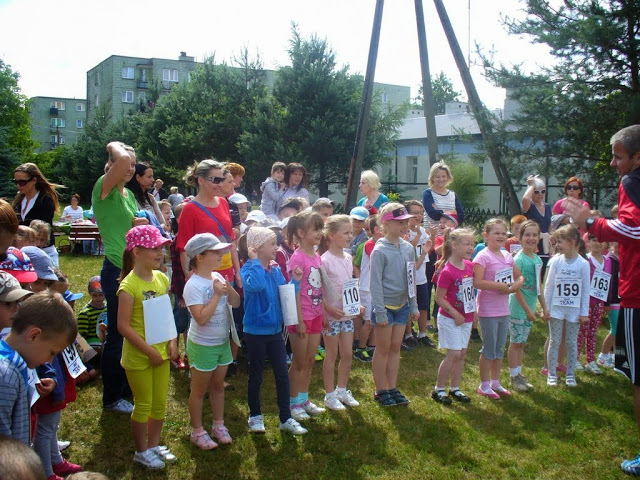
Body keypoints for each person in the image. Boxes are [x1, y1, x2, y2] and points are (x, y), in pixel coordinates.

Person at [563, 126, 640, 475]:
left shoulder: (632, 182)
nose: (612, 164)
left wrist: (592, 221)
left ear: (637, 157)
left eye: (618, 157)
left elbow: (635, 230)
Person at [117, 225, 177, 470]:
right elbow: (123, 326)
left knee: (159, 403)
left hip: (161, 353)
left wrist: (172, 341)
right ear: (136, 252)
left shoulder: (162, 279)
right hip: (139, 357)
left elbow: (166, 314)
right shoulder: (129, 286)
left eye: (161, 248)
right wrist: (149, 351)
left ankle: (153, 445)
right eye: (153, 248)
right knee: (143, 403)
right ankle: (141, 451)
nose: (160, 253)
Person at [91, 142, 143, 415]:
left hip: (133, 268)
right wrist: (114, 146)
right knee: (118, 334)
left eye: (134, 164)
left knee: (131, 331)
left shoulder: (128, 195)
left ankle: (125, 387)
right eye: (126, 163)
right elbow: (120, 160)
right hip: (115, 269)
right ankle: (112, 397)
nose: (130, 168)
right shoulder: (104, 188)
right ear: (112, 163)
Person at [241, 226, 307, 435]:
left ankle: (285, 418)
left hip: (275, 332)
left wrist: (295, 282)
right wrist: (254, 262)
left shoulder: (275, 269)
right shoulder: (248, 270)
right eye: (271, 244)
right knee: (256, 375)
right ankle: (255, 416)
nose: (276, 248)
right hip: (255, 333)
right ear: (257, 247)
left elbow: (285, 293)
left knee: (282, 375)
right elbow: (257, 286)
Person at [183, 233, 240, 449]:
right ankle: (197, 431)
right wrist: (216, 295)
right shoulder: (193, 285)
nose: (221, 255)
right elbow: (200, 318)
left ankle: (218, 425)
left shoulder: (217, 277)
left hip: (221, 342)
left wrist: (228, 289)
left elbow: (236, 303)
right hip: (202, 345)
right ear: (199, 256)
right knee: (199, 390)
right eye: (215, 252)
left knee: (218, 386)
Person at [0, 292, 77, 445]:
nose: (50, 361)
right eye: (52, 352)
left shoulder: (15, 364)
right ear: (34, 335)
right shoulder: (5, 377)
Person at [369, 203, 420, 406]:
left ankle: (392, 386)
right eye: (399, 222)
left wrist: (413, 305)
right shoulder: (379, 251)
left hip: (402, 307)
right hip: (385, 308)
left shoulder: (408, 248)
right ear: (386, 223)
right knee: (382, 348)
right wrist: (380, 312)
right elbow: (375, 284)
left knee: (395, 347)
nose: (404, 226)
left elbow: (411, 278)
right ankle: (380, 389)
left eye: (406, 221)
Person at [473, 218, 525, 399]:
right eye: (496, 233)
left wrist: (516, 285)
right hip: (488, 310)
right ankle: (484, 384)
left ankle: (495, 381)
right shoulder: (482, 256)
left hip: (504, 310)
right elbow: (477, 282)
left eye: (504, 233)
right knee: (488, 349)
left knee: (499, 348)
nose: (501, 236)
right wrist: (500, 286)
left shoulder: (508, 256)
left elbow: (519, 276)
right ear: (486, 236)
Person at [285, 211, 326, 421]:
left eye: (321, 228)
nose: (320, 233)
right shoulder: (297, 258)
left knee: (310, 360)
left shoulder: (316, 256)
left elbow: (320, 288)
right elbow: (294, 292)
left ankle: (303, 399)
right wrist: (299, 321)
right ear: (301, 233)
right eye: (315, 229)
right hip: (301, 317)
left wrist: (323, 313)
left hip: (316, 315)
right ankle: (293, 403)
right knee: (299, 363)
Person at [176, 160, 241, 288]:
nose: (220, 184)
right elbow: (183, 248)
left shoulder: (223, 202)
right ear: (201, 180)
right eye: (215, 180)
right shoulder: (189, 209)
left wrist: (237, 271)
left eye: (221, 180)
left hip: (227, 273)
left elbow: (231, 240)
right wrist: (189, 277)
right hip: (204, 276)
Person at [318, 215, 360, 410]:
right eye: (346, 233)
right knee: (331, 354)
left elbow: (349, 285)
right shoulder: (324, 261)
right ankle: (329, 395)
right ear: (332, 235)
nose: (350, 236)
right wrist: (327, 309)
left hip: (347, 315)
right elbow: (319, 291)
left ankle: (342, 390)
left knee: (348, 353)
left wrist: (356, 304)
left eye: (351, 232)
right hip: (331, 317)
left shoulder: (348, 257)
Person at [431, 228, 476, 405]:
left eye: (472, 244)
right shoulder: (447, 271)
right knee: (453, 353)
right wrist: (455, 313)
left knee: (462, 354)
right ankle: (439, 389)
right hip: (450, 318)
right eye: (467, 244)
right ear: (454, 245)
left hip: (467, 317)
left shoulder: (470, 266)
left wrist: (472, 312)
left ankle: (455, 387)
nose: (471, 247)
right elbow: (439, 298)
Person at [543, 225, 590, 388]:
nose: (557, 245)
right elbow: (549, 286)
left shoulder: (583, 264)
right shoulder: (556, 261)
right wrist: (546, 308)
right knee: (555, 340)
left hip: (574, 311)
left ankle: (570, 373)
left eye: (560, 242)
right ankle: (551, 373)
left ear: (571, 242)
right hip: (556, 309)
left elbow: (586, 290)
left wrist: (584, 312)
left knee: (571, 341)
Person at [507, 220, 549, 392]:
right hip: (518, 309)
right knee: (515, 342)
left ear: (539, 237)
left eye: (534, 235)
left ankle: (519, 373)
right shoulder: (519, 260)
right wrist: (527, 310)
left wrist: (544, 307)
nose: (531, 238)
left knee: (522, 343)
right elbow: (516, 289)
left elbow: (538, 286)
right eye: (527, 235)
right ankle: (513, 376)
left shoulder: (537, 259)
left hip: (530, 309)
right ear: (520, 237)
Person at [578, 233, 611, 374]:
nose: (597, 244)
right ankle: (575, 358)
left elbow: (609, 282)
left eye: (601, 241)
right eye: (594, 240)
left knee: (593, 332)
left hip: (599, 303)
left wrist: (606, 302)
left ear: (606, 244)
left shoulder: (608, 261)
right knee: (581, 331)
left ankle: (590, 360)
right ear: (588, 242)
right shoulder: (585, 260)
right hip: (585, 303)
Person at [12, 163, 62, 253]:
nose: (18, 185)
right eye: (16, 182)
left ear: (34, 180)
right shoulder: (18, 202)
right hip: (22, 251)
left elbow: (43, 229)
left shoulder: (45, 201)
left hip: (43, 250)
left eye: (22, 182)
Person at [404, 200, 433, 347]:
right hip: (408, 276)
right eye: (415, 213)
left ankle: (422, 333)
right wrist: (417, 235)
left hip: (421, 274)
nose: (418, 216)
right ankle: (409, 334)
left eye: (421, 213)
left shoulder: (422, 231)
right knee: (408, 306)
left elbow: (427, 250)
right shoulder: (404, 231)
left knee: (423, 305)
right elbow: (408, 248)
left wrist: (431, 236)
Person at [353, 214, 381, 362]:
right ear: (377, 229)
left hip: (377, 288)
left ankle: (372, 346)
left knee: (376, 320)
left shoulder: (382, 243)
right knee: (369, 321)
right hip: (368, 288)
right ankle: (360, 348)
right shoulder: (369, 244)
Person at [522, 174, 552, 276]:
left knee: (544, 274)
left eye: (543, 191)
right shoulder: (529, 206)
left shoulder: (547, 206)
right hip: (533, 242)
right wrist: (531, 185)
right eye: (536, 192)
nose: (540, 194)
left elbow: (549, 226)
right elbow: (525, 199)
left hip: (545, 245)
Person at [126, 163, 165, 228]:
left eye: (152, 176)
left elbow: (163, 222)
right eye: (149, 177)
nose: (153, 180)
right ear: (138, 177)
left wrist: (157, 228)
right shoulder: (129, 197)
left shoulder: (151, 198)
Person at [77, 276, 107, 352]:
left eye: (101, 294)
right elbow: (81, 337)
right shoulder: (85, 314)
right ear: (90, 293)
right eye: (95, 295)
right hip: (92, 342)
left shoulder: (108, 308)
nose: (98, 298)